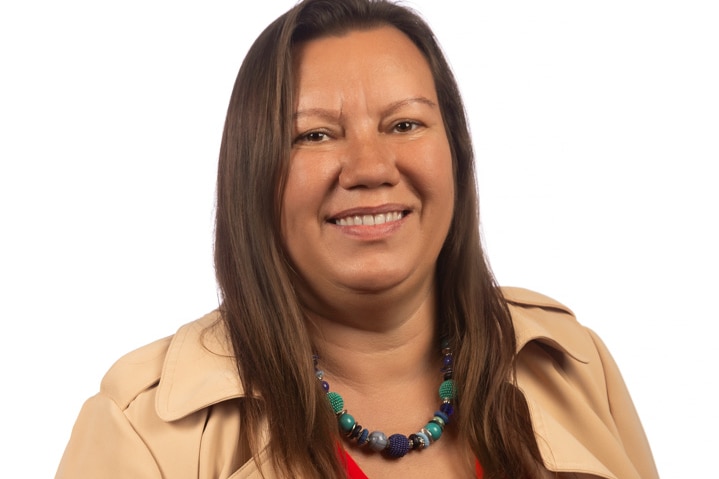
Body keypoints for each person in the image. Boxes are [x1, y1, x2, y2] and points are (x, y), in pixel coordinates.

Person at [55, 0, 659, 478]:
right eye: (315, 136)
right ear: (253, 175)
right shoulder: (144, 432)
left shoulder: (574, 366)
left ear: (456, 156)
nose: (370, 167)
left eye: (404, 124)